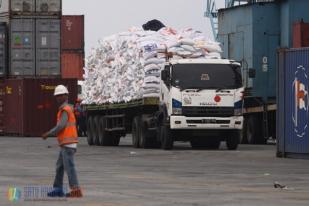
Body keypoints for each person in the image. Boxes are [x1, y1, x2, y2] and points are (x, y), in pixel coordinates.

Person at [42, 85, 83, 198]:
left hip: (68, 144)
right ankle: (58, 189)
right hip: (66, 144)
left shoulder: (65, 109)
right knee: (60, 166)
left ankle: (76, 190)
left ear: (66, 95)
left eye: (61, 95)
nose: (58, 98)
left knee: (69, 167)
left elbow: (60, 126)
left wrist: (48, 134)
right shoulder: (65, 109)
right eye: (57, 96)